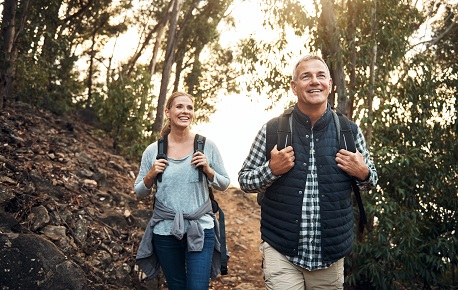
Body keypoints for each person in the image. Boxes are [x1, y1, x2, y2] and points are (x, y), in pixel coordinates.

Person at [238, 55, 378, 290]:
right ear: (294, 87)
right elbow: (245, 180)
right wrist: (271, 170)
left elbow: (370, 180)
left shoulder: (349, 131)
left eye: (320, 75)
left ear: (330, 85)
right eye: (306, 76)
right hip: (281, 251)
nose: (314, 81)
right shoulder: (272, 129)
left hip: (331, 256)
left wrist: (362, 172)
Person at [134, 91, 230, 290]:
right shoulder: (153, 150)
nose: (185, 111)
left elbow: (224, 183)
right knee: (176, 286)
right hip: (164, 231)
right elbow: (139, 191)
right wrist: (151, 174)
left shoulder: (206, 146)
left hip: (200, 228)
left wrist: (208, 170)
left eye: (189, 107)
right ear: (168, 112)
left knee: (197, 286)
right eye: (179, 107)